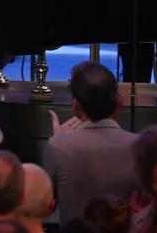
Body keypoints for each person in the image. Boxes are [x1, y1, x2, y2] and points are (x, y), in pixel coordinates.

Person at [42, 62, 137, 224]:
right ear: (117, 102)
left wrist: (60, 139)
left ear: (76, 105)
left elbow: (45, 207)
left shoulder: (58, 146)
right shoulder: (139, 145)